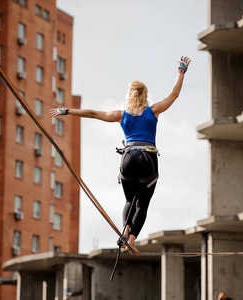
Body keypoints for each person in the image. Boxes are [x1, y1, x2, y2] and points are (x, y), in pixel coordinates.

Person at [49, 56, 191, 255]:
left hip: (128, 158)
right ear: (145, 95)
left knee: (129, 201)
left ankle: (125, 231)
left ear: (129, 95)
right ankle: (131, 240)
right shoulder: (153, 111)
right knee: (142, 203)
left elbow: (92, 114)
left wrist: (66, 111)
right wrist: (181, 71)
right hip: (147, 158)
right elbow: (173, 95)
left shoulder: (121, 115)